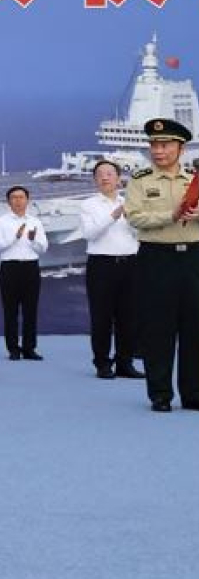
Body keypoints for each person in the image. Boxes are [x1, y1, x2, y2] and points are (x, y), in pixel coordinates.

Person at [124, 117, 199, 412]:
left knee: (195, 328)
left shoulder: (194, 178)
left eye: (165, 145)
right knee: (158, 328)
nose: (158, 151)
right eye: (154, 145)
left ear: (181, 148)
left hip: (194, 258)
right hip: (156, 258)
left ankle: (193, 394)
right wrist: (172, 215)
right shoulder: (140, 180)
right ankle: (160, 394)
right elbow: (134, 217)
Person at [80, 160, 143, 380]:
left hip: (130, 263)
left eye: (109, 173)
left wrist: (131, 220)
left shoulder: (129, 202)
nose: (105, 177)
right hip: (101, 265)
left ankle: (125, 363)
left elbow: (139, 234)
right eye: (100, 174)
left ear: (118, 178)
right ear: (95, 180)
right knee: (102, 318)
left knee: (129, 317)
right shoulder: (88, 205)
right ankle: (102, 363)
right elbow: (90, 234)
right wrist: (113, 216)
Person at [0, 186, 49, 361]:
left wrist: (32, 240)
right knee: (10, 311)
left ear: (27, 200)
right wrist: (14, 237)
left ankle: (29, 348)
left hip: (31, 268)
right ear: (8, 201)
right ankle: (13, 349)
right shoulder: (0, 222)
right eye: (14, 197)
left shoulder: (35, 221)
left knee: (31, 311)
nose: (18, 200)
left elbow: (43, 248)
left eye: (21, 197)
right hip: (9, 268)